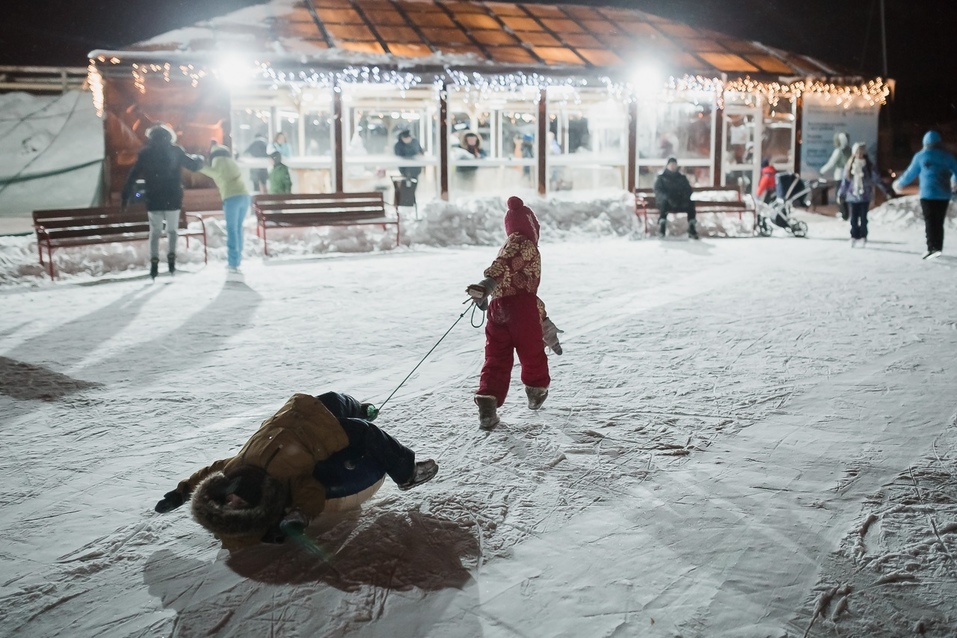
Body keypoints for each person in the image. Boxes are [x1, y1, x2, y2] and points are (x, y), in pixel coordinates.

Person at [153, 391, 439, 550]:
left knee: (337, 399)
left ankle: (361, 409)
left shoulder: (233, 470)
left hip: (299, 413)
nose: (233, 499)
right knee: (365, 432)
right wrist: (297, 517)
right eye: (239, 505)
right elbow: (310, 493)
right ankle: (406, 474)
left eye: (228, 502)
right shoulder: (282, 484)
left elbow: (206, 472)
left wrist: (180, 494)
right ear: (254, 508)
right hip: (324, 435)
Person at [466, 196, 563, 430]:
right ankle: (537, 389)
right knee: (532, 354)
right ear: (531, 226)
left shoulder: (509, 242)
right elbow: (504, 266)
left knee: (496, 357)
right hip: (520, 310)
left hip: (498, 310)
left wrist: (489, 294)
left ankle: (488, 400)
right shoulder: (524, 244)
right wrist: (487, 284)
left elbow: (506, 271)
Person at [121, 124, 204, 280]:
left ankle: (154, 262)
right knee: (172, 231)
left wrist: (125, 195)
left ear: (151, 137)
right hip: (173, 197)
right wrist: (200, 158)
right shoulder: (176, 150)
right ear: (169, 136)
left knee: (155, 231)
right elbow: (193, 166)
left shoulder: (145, 153)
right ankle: (171, 259)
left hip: (154, 197)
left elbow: (133, 174)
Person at [893, 130, 957, 260]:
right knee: (939, 222)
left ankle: (932, 248)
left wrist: (899, 184)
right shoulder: (947, 156)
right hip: (944, 194)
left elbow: (911, 172)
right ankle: (938, 247)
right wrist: (954, 182)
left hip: (927, 194)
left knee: (930, 221)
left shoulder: (921, 156)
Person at [200, 142, 251, 273]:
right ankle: (237, 258)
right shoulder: (232, 164)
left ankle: (233, 262)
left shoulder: (218, 164)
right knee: (238, 228)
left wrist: (198, 165)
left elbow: (209, 171)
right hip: (244, 196)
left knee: (232, 229)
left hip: (231, 197)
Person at [839, 143, 891, 248]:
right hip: (852, 196)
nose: (859, 154)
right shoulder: (850, 165)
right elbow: (846, 181)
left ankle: (863, 236)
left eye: (861, 152)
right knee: (853, 218)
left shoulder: (868, 166)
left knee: (863, 218)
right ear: (854, 153)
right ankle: (854, 236)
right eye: (857, 152)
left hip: (865, 196)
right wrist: (841, 193)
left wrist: (886, 189)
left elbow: (876, 179)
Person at [653, 156, 698, 239]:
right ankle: (662, 228)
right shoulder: (661, 178)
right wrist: (667, 197)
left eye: (674, 164)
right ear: (667, 165)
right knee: (663, 204)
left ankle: (692, 228)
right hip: (667, 203)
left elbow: (688, 190)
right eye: (671, 164)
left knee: (691, 203)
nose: (673, 166)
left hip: (680, 202)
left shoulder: (682, 178)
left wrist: (683, 197)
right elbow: (658, 191)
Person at [820, 132, 852, 220]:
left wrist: (822, 170)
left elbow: (831, 163)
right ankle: (844, 213)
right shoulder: (850, 150)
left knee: (840, 195)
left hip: (840, 175)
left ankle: (844, 214)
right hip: (848, 175)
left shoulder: (838, 151)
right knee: (843, 195)